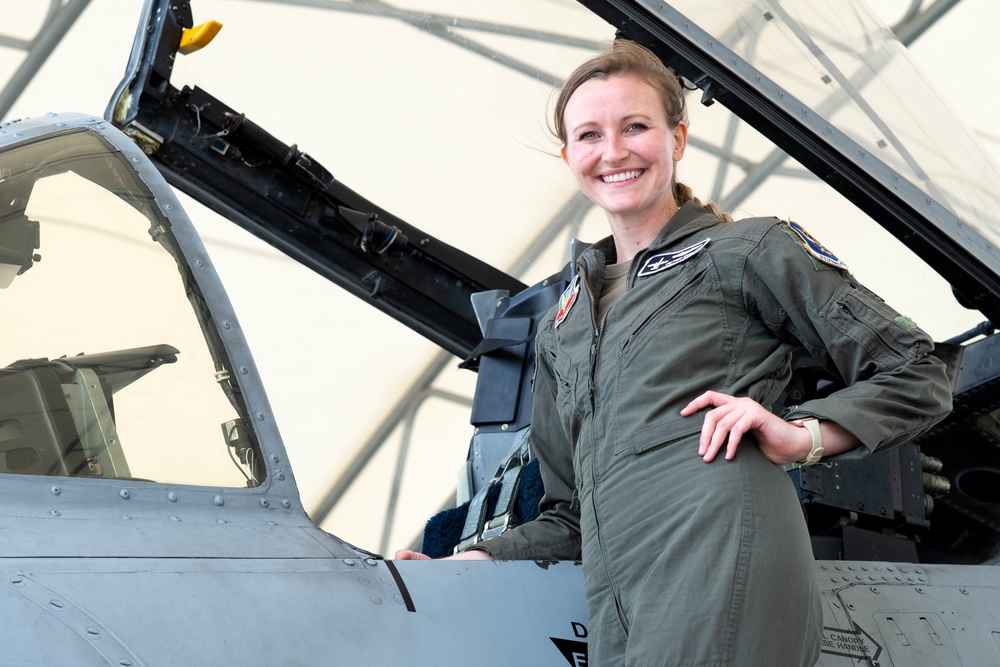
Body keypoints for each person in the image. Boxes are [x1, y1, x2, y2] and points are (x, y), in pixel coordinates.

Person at [397, 39, 953, 667]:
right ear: (568, 155)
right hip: (617, 596)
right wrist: (471, 561)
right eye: (590, 135)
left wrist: (805, 436)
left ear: (678, 138)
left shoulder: (748, 251)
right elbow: (569, 516)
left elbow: (917, 370)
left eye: (636, 127)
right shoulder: (561, 327)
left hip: (720, 547)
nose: (613, 151)